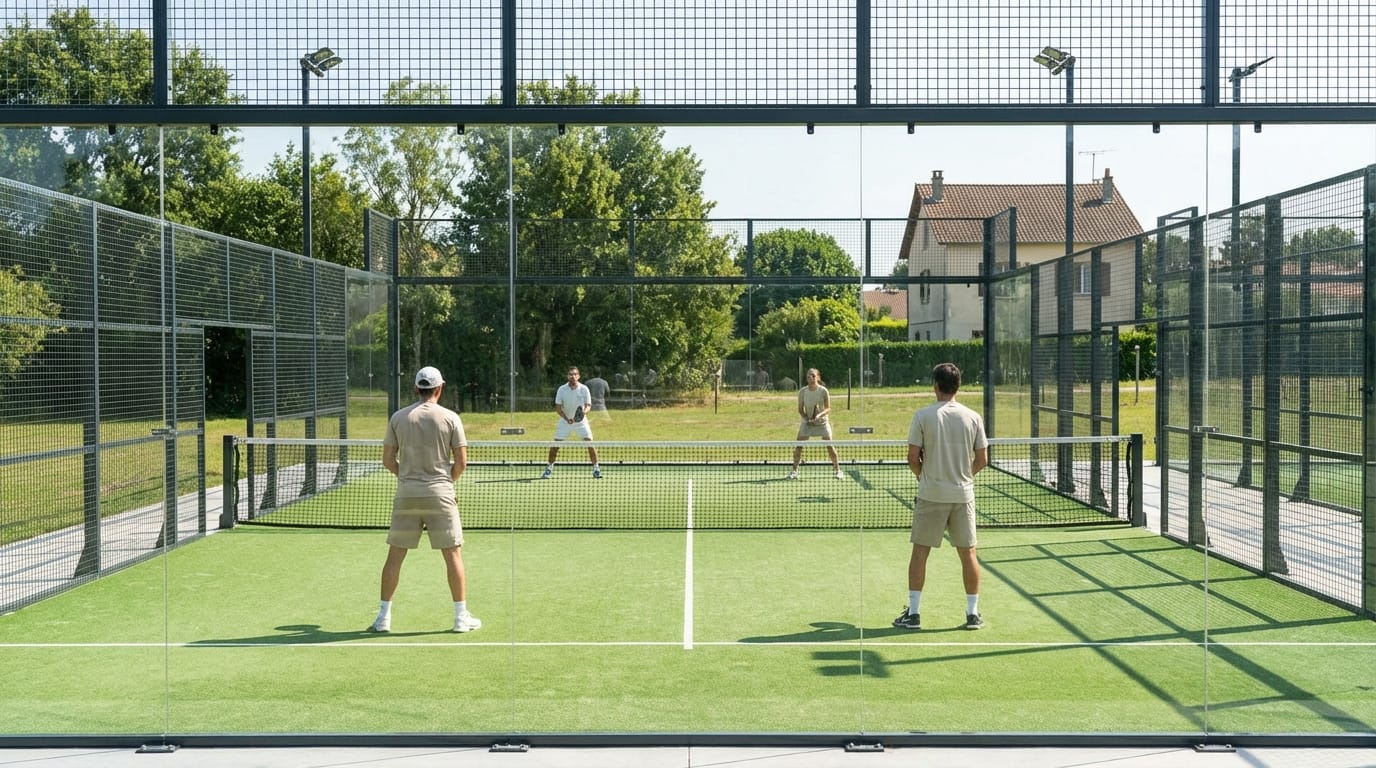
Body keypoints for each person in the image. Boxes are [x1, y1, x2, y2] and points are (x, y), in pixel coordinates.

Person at [368, 366, 481, 634]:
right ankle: (460, 618)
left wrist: (408, 477)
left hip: (407, 495)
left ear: (417, 388)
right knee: (453, 554)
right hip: (441, 494)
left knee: (395, 556)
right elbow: (461, 463)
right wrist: (444, 484)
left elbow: (387, 460)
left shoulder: (398, 417)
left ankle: (383, 618)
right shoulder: (451, 417)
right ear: (439, 389)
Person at [893, 362, 989, 632]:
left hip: (931, 495)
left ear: (935, 385)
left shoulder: (922, 416)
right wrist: (963, 476)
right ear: (957, 386)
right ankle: (972, 615)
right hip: (963, 495)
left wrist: (925, 477)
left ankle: (913, 614)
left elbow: (912, 458)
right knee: (968, 553)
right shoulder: (973, 417)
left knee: (920, 553)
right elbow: (982, 459)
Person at [542, 366, 602, 479]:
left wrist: (582, 414)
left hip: (581, 422)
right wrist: (566, 418)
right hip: (565, 421)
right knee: (555, 446)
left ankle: (596, 469)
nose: (573, 376)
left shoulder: (584, 389)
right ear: (567, 376)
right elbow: (558, 408)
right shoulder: (561, 389)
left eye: (575, 374)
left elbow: (588, 405)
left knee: (590, 443)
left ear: (578, 376)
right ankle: (549, 469)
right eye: (570, 374)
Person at [788, 367, 842, 480]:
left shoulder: (823, 391)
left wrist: (818, 416)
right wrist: (807, 418)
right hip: (807, 423)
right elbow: (800, 409)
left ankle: (838, 471)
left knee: (830, 445)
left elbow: (828, 408)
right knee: (798, 446)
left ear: (817, 377)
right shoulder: (802, 392)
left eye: (812, 375)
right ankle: (794, 471)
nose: (809, 377)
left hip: (822, 422)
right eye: (808, 375)